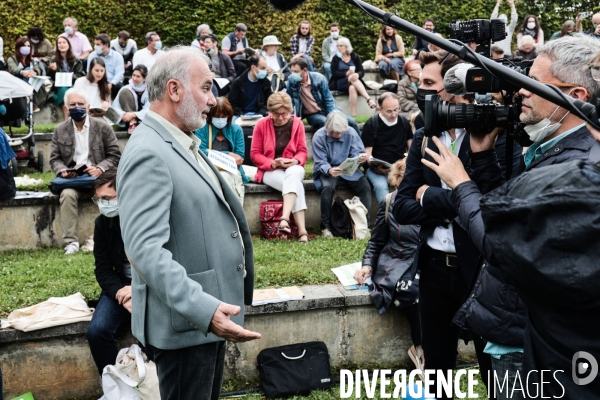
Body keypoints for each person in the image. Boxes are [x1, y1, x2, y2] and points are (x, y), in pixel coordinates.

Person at [420, 36, 600, 399]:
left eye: (534, 86)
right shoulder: (551, 148)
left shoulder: (576, 166)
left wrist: (461, 185)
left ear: (577, 96)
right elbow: (506, 213)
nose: (521, 95)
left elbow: (502, 246)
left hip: (529, 341)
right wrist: (484, 158)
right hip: (515, 328)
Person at [117, 46, 260, 399]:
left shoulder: (180, 141)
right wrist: (205, 309)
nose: (213, 101)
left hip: (203, 320)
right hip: (187, 323)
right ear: (175, 90)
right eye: (207, 88)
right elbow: (145, 251)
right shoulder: (149, 151)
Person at [392, 49, 523, 399]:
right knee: (438, 372)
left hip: (481, 271)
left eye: (430, 84)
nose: (424, 92)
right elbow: (402, 207)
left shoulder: (498, 135)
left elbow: (499, 205)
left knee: (494, 369)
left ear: (456, 89)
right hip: (434, 269)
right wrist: (464, 198)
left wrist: (432, 196)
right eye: (420, 83)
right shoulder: (424, 134)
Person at [354, 159, 424, 372]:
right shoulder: (389, 202)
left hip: (425, 261)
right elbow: (376, 241)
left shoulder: (432, 201)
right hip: (397, 263)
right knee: (415, 292)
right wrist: (367, 266)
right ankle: (421, 351)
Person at [87, 168, 154, 375]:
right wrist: (120, 293)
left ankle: (154, 387)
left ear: (124, 193)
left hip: (153, 285)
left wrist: (138, 289)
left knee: (152, 333)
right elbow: (103, 269)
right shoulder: (103, 223)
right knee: (97, 332)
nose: (102, 204)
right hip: (120, 286)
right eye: (98, 199)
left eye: (107, 198)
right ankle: (115, 386)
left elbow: (162, 263)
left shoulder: (149, 218)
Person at [50, 88, 120, 255]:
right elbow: (54, 159)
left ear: (88, 106)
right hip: (74, 180)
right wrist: (64, 170)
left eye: (80, 104)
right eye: (72, 104)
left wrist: (99, 168)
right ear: (66, 108)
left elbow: (115, 155)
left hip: (100, 179)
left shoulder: (103, 128)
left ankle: (111, 236)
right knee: (67, 195)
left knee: (112, 194)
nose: (77, 107)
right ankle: (71, 242)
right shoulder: (60, 130)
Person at [250, 92, 309, 243]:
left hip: (292, 167)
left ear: (290, 111)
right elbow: (255, 154)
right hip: (270, 170)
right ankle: (302, 231)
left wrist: (295, 161)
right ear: (270, 112)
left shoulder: (298, 124)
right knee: (296, 186)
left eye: (284, 114)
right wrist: (272, 163)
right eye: (276, 114)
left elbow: (302, 151)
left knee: (294, 173)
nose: (281, 117)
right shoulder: (261, 125)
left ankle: (284, 218)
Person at [312, 110, 371, 237]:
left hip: (350, 170)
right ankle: (325, 226)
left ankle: (364, 225)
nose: (338, 135)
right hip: (329, 171)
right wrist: (329, 170)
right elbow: (320, 161)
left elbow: (358, 152)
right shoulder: (319, 136)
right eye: (334, 132)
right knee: (327, 187)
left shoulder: (351, 132)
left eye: (341, 132)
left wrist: (360, 159)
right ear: (327, 128)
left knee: (365, 186)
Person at [362, 92, 413, 205]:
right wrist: (375, 168)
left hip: (399, 168)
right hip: (377, 169)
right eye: (389, 111)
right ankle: (386, 217)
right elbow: (367, 154)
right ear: (380, 109)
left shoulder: (404, 122)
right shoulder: (371, 124)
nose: (394, 114)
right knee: (381, 187)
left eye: (396, 109)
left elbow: (412, 148)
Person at [287, 57, 360, 135]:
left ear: (305, 70)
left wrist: (332, 117)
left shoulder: (319, 78)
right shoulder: (291, 80)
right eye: (292, 71)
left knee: (351, 122)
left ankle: (359, 146)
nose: (293, 74)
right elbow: (290, 100)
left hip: (328, 108)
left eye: (296, 71)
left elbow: (328, 99)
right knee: (325, 123)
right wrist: (291, 117)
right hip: (312, 114)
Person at [195, 97, 248, 204]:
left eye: (223, 116)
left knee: (225, 179)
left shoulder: (236, 130)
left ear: (228, 116)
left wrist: (214, 155)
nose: (220, 119)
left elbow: (239, 157)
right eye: (216, 116)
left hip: (231, 172)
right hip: (209, 170)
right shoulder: (202, 128)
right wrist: (227, 154)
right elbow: (200, 152)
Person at [330, 38, 376, 116]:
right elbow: (334, 73)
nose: (339, 48)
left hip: (353, 81)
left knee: (352, 88)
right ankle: (369, 99)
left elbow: (361, 71)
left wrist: (357, 74)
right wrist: (345, 73)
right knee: (351, 77)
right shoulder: (336, 58)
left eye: (341, 46)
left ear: (347, 46)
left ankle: (354, 114)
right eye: (337, 46)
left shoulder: (354, 56)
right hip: (340, 82)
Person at [48, 35, 85, 119]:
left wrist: (69, 77)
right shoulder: (53, 59)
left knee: (71, 90)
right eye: (59, 43)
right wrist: (53, 70)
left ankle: (69, 116)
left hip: (72, 84)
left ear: (68, 45)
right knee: (64, 89)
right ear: (57, 46)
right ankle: (67, 117)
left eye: (64, 42)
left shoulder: (75, 59)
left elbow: (80, 74)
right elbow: (50, 77)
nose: (62, 45)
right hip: (59, 85)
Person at [7, 37, 47, 110]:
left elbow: (37, 68)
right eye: (24, 46)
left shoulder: (32, 60)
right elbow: (14, 70)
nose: (26, 48)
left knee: (29, 70)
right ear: (18, 47)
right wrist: (22, 72)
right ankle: (28, 101)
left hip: (33, 86)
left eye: (28, 46)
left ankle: (27, 99)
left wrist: (35, 72)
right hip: (17, 85)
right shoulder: (11, 59)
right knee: (27, 70)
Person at [111, 64, 149, 133]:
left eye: (138, 76)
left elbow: (149, 109)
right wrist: (123, 115)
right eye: (133, 75)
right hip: (127, 119)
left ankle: (135, 121)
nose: (134, 78)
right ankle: (132, 122)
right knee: (124, 92)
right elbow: (115, 107)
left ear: (144, 78)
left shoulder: (149, 91)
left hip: (143, 120)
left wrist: (134, 115)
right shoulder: (126, 88)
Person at [88, 33, 125, 99]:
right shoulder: (92, 55)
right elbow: (89, 71)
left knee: (121, 87)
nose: (95, 46)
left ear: (106, 45)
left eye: (98, 44)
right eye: (95, 44)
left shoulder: (117, 56)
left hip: (113, 83)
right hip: (97, 81)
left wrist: (112, 83)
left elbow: (119, 73)